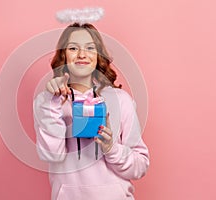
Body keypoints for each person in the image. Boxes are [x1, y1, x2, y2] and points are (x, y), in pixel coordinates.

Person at [33, 23, 149, 200]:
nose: (82, 54)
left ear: (98, 55)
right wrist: (53, 102)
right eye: (73, 48)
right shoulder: (46, 101)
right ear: (63, 55)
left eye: (89, 48)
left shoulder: (120, 100)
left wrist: (111, 148)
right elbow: (52, 155)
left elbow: (140, 166)